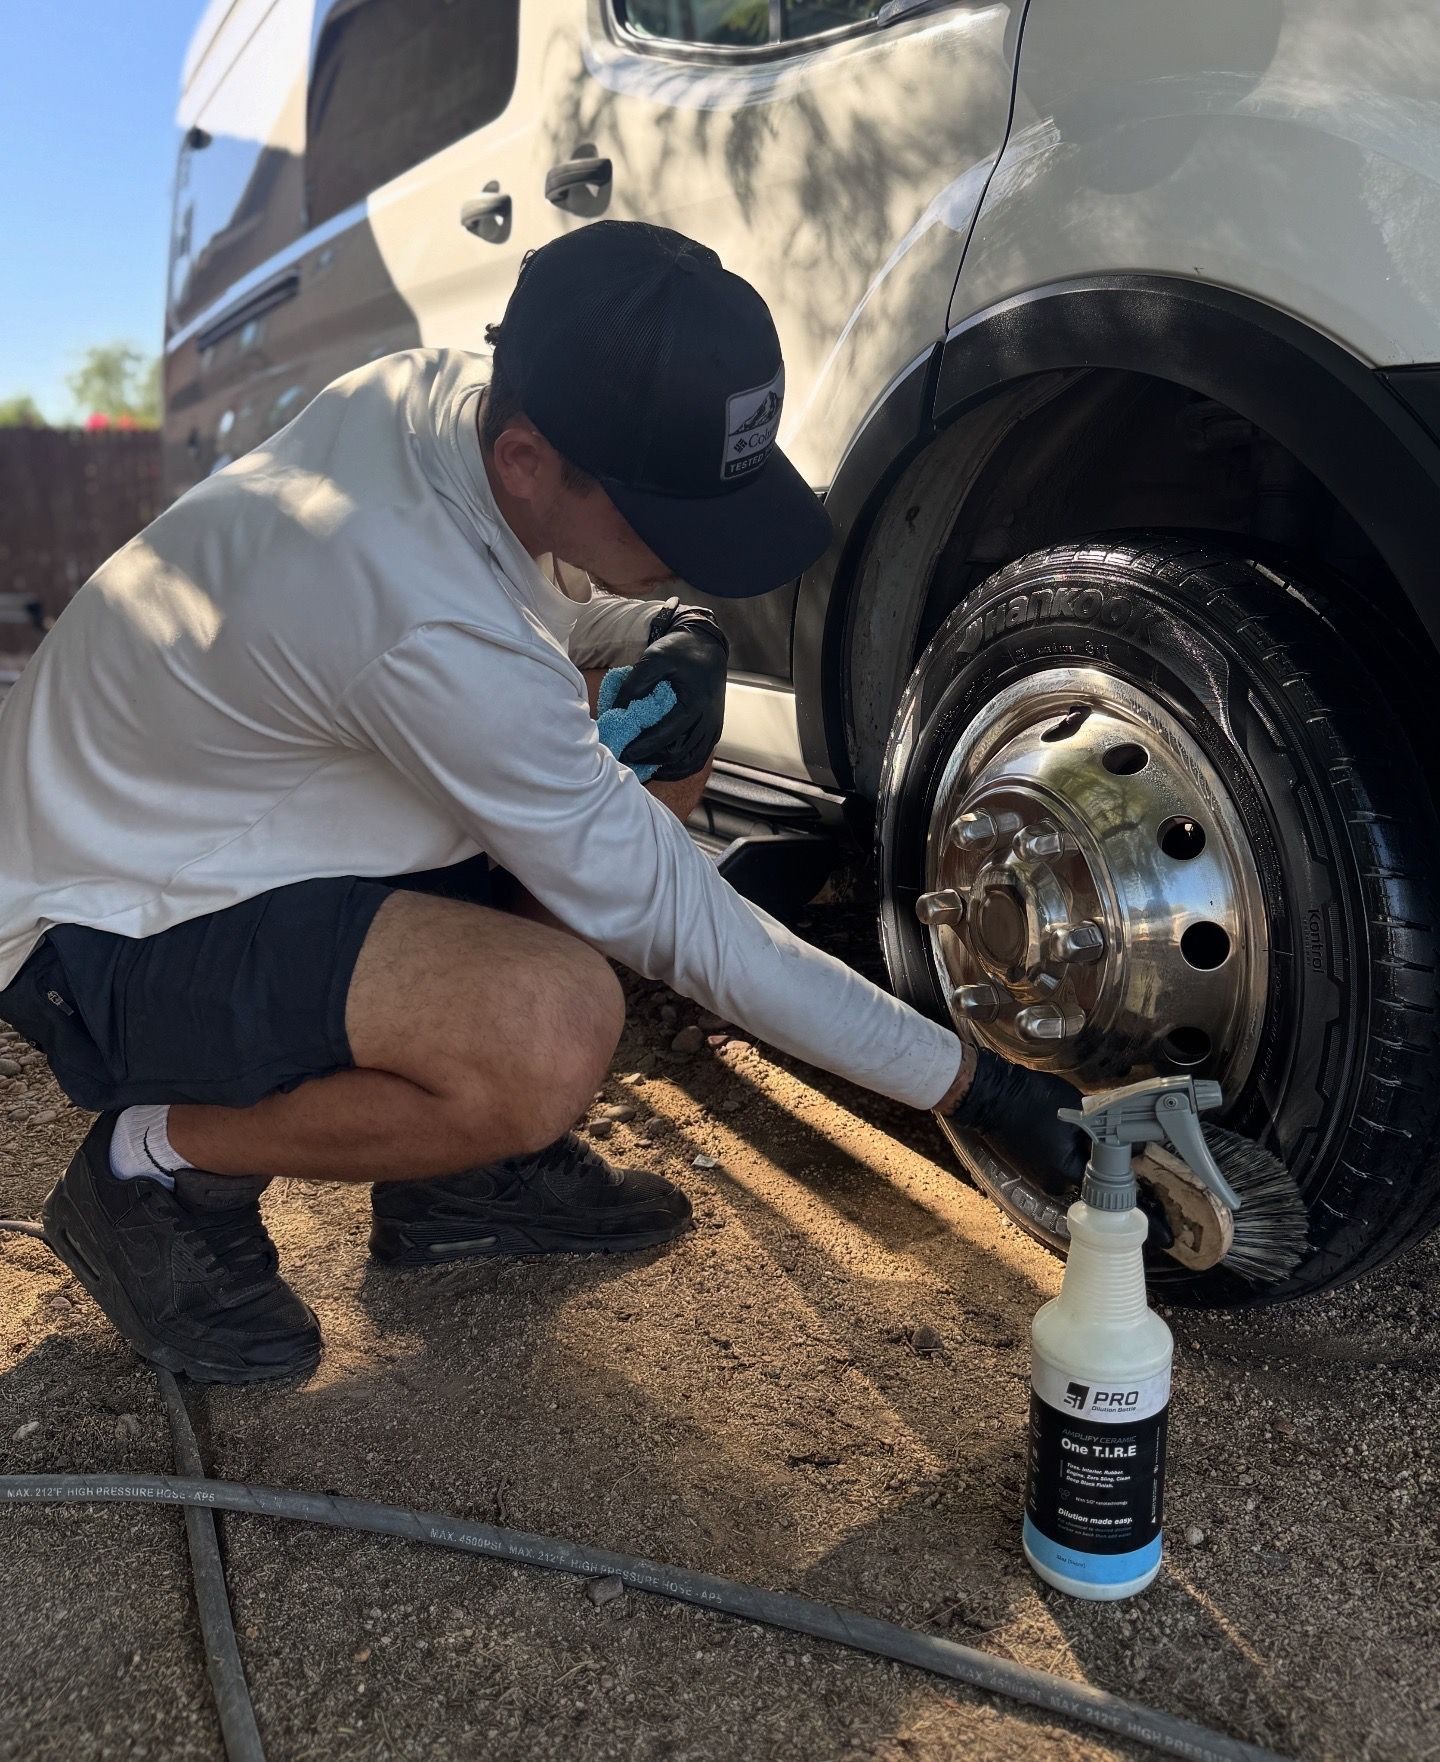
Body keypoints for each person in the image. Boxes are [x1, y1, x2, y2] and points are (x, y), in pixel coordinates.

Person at [0, 223, 1084, 1385]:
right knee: (548, 1028)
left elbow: (522, 609)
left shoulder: (438, 400)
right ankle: (151, 1168)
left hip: (227, 825)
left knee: (668, 744)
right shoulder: (414, 615)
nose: (686, 557)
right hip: (98, 934)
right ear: (526, 458)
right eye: (665, 529)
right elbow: (696, 930)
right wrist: (978, 1085)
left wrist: (668, 633)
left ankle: (457, 1178)